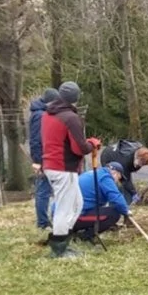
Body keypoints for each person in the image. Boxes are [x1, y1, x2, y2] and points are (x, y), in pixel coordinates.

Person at [41, 81, 99, 258]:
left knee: (77, 204)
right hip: (64, 168)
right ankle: (59, 248)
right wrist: (92, 144)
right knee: (65, 208)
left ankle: (64, 239)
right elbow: (78, 148)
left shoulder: (47, 114)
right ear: (76, 98)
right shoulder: (71, 118)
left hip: (52, 165)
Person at [100, 139, 148, 204]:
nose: (141, 166)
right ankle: (116, 203)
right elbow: (126, 179)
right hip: (108, 157)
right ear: (137, 158)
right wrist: (133, 193)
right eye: (141, 164)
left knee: (126, 188)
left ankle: (125, 203)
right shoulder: (125, 161)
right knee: (115, 182)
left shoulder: (144, 152)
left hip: (123, 157)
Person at [73, 162, 131, 241]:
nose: (117, 182)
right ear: (115, 173)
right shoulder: (105, 177)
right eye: (119, 178)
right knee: (114, 214)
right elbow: (116, 198)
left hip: (64, 215)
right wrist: (126, 211)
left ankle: (78, 230)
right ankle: (84, 236)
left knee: (102, 210)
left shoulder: (93, 173)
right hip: (74, 217)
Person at [28, 88, 59, 231]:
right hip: (43, 158)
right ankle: (42, 222)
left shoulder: (43, 113)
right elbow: (35, 140)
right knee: (43, 190)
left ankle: (47, 220)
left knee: (47, 189)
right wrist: (37, 161)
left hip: (49, 156)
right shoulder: (39, 116)